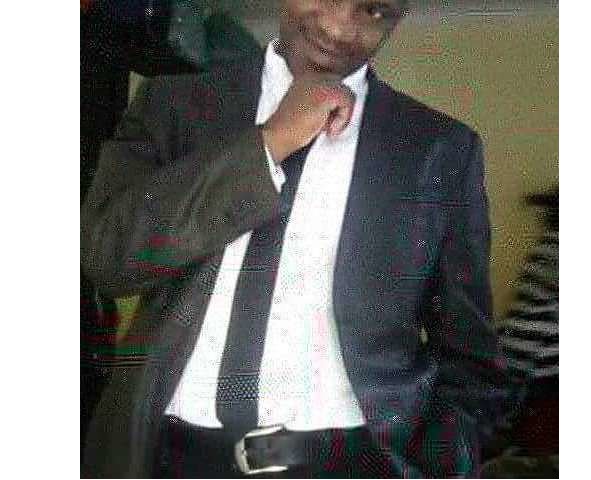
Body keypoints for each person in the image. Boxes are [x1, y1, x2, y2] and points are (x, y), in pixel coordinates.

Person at [81, 0, 511, 477]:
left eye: (374, 11)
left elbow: (469, 356)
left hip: (348, 461)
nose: (339, 28)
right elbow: (106, 257)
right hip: (174, 456)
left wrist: (441, 464)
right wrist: (269, 142)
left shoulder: (437, 149)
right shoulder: (174, 106)